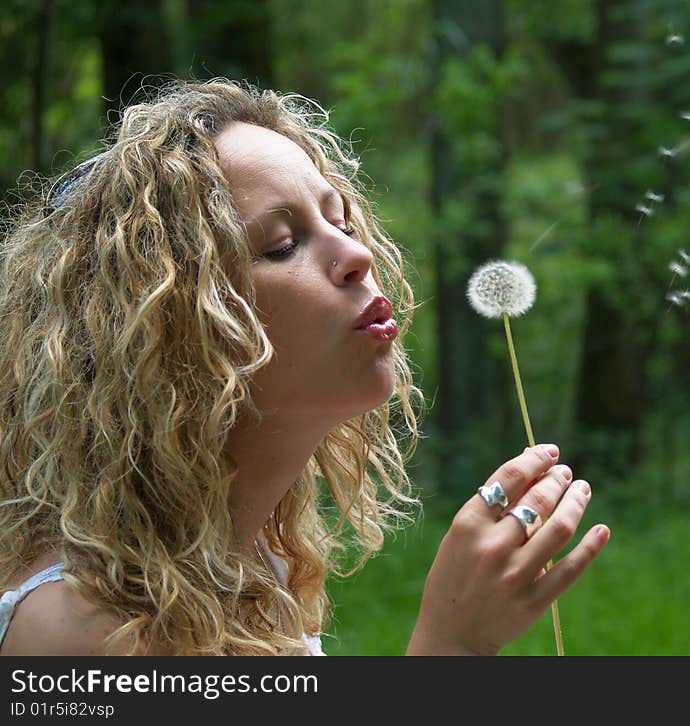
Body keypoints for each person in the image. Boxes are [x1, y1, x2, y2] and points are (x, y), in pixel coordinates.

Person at [0, 78, 610, 656]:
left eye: (340, 221)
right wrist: (451, 647)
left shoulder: (256, 574)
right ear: (166, 327)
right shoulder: (83, 628)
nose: (358, 253)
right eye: (282, 245)